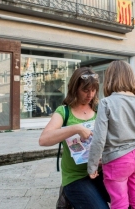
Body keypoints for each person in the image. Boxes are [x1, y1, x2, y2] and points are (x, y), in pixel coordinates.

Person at [87, 60, 135, 209]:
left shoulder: (106, 103)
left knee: (119, 202)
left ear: (109, 78)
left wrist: (92, 166)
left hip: (116, 161)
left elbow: (99, 139)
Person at [39, 67, 110, 209]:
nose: (90, 94)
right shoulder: (64, 111)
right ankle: (69, 193)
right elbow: (44, 139)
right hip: (76, 177)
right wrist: (76, 128)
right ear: (75, 88)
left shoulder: (99, 108)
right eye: (85, 90)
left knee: (130, 201)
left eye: (93, 90)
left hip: (101, 171)